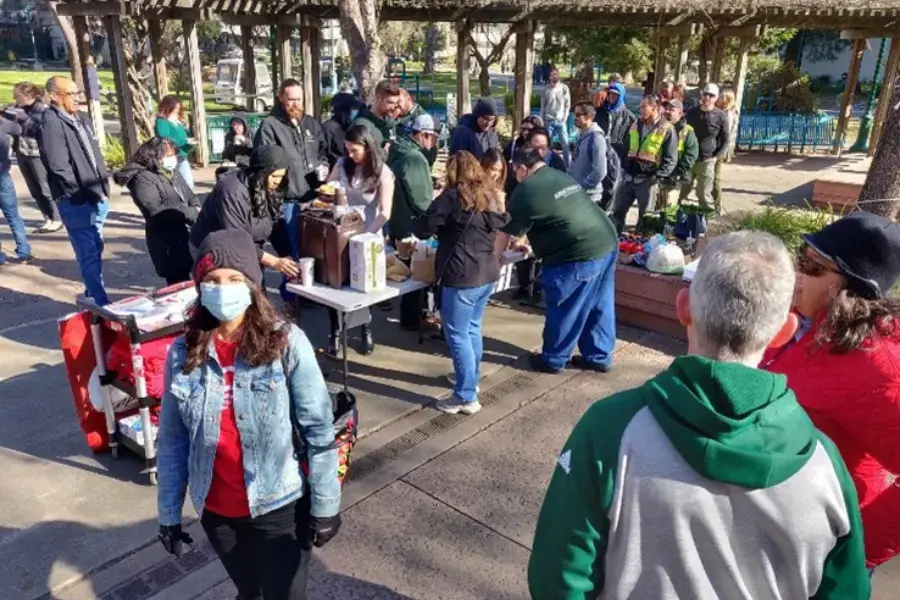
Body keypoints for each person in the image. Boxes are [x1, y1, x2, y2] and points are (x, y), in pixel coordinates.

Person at [529, 231, 870, 600]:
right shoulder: (825, 465)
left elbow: (557, 579)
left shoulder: (609, 430)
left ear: (683, 307)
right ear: (784, 332)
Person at [156, 229, 341, 600]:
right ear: (199, 287)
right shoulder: (182, 352)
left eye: (234, 279)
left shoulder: (286, 342)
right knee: (249, 591)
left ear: (252, 285)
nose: (222, 289)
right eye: (212, 280)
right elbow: (173, 441)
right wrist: (169, 514)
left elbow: (318, 427)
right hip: (217, 512)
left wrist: (326, 505)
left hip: (279, 508)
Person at [763, 212, 900, 573]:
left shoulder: (879, 366)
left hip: (826, 549)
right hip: (785, 530)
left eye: (813, 267)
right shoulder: (812, 327)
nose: (798, 275)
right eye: (800, 259)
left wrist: (855, 549)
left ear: (848, 286)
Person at [496, 147, 618, 373]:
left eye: (515, 171)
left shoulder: (526, 190)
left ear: (522, 168)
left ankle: (554, 359)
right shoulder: (559, 175)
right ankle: (598, 355)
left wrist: (493, 261)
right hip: (606, 240)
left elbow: (504, 233)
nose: (515, 176)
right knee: (599, 304)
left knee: (565, 305)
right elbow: (553, 214)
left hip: (577, 254)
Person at [413, 151, 510, 415]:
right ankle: (470, 381)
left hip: (461, 274)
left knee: (456, 334)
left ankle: (466, 396)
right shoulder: (489, 197)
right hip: (486, 273)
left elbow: (423, 229)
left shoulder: (451, 198)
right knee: (471, 329)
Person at [324, 125, 396, 355]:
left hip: (367, 234)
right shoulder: (342, 165)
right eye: (347, 150)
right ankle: (334, 332)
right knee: (333, 283)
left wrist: (366, 234)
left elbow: (385, 212)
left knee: (363, 286)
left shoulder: (382, 172)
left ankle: (365, 330)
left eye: (354, 150)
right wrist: (328, 190)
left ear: (367, 147)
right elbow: (327, 188)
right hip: (340, 231)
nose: (350, 155)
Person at [39, 76, 110, 304]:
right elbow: (59, 165)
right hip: (76, 200)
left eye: (78, 93)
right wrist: (79, 194)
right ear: (55, 97)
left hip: (96, 194)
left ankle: (92, 292)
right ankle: (99, 301)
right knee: (88, 250)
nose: (77, 99)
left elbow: (93, 154)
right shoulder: (51, 122)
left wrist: (101, 187)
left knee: (96, 247)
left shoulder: (81, 119)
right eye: (71, 94)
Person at [191, 145, 299, 282]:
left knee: (256, 290)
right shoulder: (231, 191)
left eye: (282, 176)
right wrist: (275, 262)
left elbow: (276, 225)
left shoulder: (268, 186)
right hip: (216, 249)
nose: (278, 181)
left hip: (249, 244)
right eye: (274, 176)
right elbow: (236, 240)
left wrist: (287, 254)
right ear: (261, 173)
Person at [254, 79, 329, 270]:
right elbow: (265, 164)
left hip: (314, 199)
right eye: (291, 99)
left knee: (314, 252)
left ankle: (309, 294)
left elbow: (322, 152)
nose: (296, 104)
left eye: (299, 99)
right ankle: (291, 297)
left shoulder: (311, 123)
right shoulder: (270, 126)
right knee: (292, 254)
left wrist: (323, 166)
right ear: (280, 98)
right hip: (287, 202)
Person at [114, 137, 200, 285]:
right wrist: (191, 213)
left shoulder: (171, 172)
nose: (171, 159)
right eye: (167, 156)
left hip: (185, 234)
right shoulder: (142, 179)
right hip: (167, 240)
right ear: (154, 156)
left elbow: (189, 194)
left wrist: (196, 206)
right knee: (177, 282)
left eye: (173, 154)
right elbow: (156, 210)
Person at [388, 114, 441, 331]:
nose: (435, 144)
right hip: (411, 225)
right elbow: (422, 202)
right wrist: (438, 197)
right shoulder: (415, 158)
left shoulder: (398, 150)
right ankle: (411, 319)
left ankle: (409, 317)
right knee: (416, 275)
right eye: (434, 139)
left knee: (407, 272)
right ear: (423, 135)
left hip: (397, 220)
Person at [610, 94, 677, 234]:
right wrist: (624, 166)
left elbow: (670, 159)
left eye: (643, 107)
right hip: (628, 177)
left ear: (654, 108)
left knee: (645, 218)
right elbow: (625, 147)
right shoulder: (635, 124)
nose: (639, 110)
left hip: (648, 180)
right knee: (617, 212)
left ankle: (640, 247)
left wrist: (656, 177)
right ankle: (613, 240)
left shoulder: (666, 128)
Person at [13, 82, 60, 233]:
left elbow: (38, 129)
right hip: (22, 153)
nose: (15, 98)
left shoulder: (42, 110)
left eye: (17, 95)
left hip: (37, 155)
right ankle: (47, 218)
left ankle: (57, 218)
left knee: (45, 187)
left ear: (28, 96)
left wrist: (22, 120)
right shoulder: (17, 108)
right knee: (34, 189)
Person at [680, 83, 730, 214]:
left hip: (707, 160)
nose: (707, 97)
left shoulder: (720, 116)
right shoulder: (692, 112)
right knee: (682, 190)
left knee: (703, 193)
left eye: (711, 95)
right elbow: (682, 132)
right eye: (705, 94)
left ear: (716, 98)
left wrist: (716, 157)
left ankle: (707, 219)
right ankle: (678, 217)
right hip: (689, 158)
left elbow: (725, 139)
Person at [657, 99, 698, 210]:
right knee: (656, 208)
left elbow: (692, 154)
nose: (667, 111)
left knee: (669, 208)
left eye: (672, 110)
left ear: (680, 113)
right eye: (667, 109)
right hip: (657, 176)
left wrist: (679, 171)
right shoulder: (659, 127)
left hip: (674, 178)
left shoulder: (687, 131)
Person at [568, 102, 608, 206]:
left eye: (577, 115)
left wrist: (584, 185)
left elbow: (600, 171)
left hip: (590, 197)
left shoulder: (596, 138)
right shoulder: (581, 134)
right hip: (577, 193)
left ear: (588, 116)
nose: (574, 118)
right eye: (574, 114)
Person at [351, 79, 402, 156]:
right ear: (378, 98)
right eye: (390, 102)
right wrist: (383, 154)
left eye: (396, 103)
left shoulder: (390, 122)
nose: (393, 107)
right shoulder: (361, 125)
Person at [154, 95, 195, 192]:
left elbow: (181, 136)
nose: (177, 110)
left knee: (188, 185)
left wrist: (189, 144)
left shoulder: (176, 120)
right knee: (177, 185)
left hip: (181, 155)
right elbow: (165, 139)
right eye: (175, 108)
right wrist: (185, 141)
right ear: (168, 107)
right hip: (170, 156)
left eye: (178, 108)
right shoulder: (162, 121)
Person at [596, 81, 636, 166]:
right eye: (610, 94)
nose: (612, 97)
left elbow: (631, 140)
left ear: (621, 96)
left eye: (616, 95)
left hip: (618, 154)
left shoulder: (628, 116)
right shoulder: (600, 111)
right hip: (600, 150)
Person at [321, 92, 365, 170]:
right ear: (345, 110)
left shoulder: (350, 127)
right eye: (354, 109)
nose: (356, 112)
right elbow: (324, 156)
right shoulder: (328, 128)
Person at [540, 68, 572, 167]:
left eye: (555, 74)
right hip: (549, 121)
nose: (554, 77)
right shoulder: (546, 89)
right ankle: (547, 165)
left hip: (560, 120)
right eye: (552, 75)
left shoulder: (564, 88)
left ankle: (567, 166)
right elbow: (542, 106)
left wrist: (565, 118)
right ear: (549, 77)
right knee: (548, 145)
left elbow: (567, 104)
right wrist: (542, 120)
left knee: (565, 144)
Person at [504, 115, 542, 196]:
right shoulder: (514, 146)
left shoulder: (543, 149)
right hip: (515, 188)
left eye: (529, 129)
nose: (525, 132)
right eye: (523, 129)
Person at [713, 89, 738, 212]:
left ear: (727, 100)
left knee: (715, 178)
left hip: (718, 150)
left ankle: (717, 207)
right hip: (715, 147)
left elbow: (725, 134)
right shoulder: (722, 112)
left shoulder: (728, 114)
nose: (719, 98)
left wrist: (719, 152)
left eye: (722, 97)